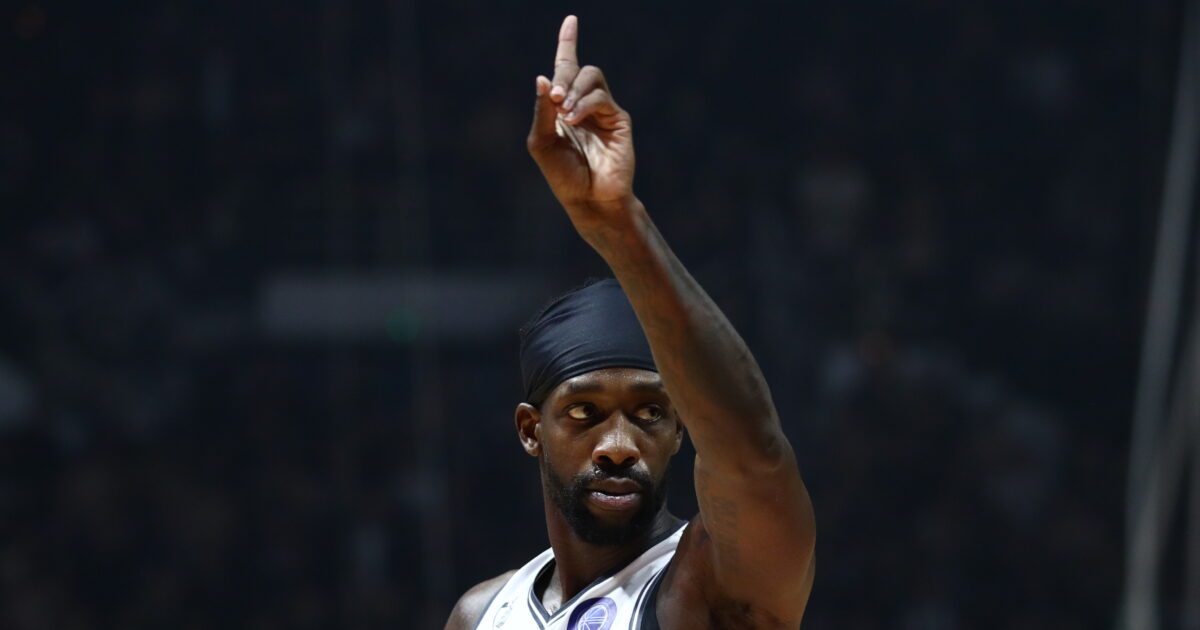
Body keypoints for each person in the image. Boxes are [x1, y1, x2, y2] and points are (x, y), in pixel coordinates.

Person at [444, 15, 815, 630]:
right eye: (584, 413)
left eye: (649, 413)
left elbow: (755, 457)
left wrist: (619, 223)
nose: (618, 447)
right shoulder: (481, 613)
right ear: (531, 430)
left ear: (681, 427)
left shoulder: (707, 583)